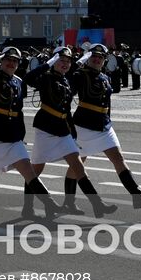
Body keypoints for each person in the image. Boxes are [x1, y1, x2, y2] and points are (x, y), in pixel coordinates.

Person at [0, 47, 61, 226]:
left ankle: (50, 203)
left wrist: (21, 134)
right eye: (8, 60)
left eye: (15, 61)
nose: (11, 63)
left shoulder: (18, 82)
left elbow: (18, 111)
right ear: (1, 61)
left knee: (28, 170)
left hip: (12, 135)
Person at [22, 47, 114, 219]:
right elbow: (28, 78)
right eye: (61, 60)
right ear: (54, 61)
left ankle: (97, 204)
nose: (65, 64)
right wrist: (46, 64)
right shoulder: (46, 78)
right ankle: (27, 207)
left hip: (63, 129)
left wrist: (73, 132)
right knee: (35, 170)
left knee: (78, 166)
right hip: (46, 130)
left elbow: (67, 109)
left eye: (68, 61)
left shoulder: (66, 80)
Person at [69, 44, 141, 210]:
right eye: (93, 56)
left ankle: (137, 195)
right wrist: (78, 62)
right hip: (84, 126)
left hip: (104, 125)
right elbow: (69, 84)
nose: (97, 59)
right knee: (78, 164)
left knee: (118, 158)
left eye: (100, 57)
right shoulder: (80, 75)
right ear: (88, 58)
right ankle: (70, 201)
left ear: (104, 60)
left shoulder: (105, 77)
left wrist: (108, 121)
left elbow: (107, 103)